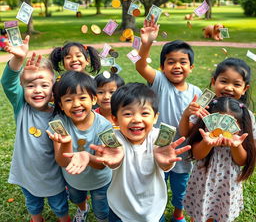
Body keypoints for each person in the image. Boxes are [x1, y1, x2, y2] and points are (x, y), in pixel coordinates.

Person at [63, 83, 192, 222]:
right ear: (115, 119)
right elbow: (112, 163)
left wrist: (165, 164)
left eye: (144, 113)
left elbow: (165, 165)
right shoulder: (113, 139)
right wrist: (94, 158)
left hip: (154, 209)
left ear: (155, 117)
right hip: (120, 210)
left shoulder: (159, 138)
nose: (136, 119)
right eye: (128, 113)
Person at [135, 17, 202, 222]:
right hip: (156, 149)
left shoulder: (196, 92)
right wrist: (147, 44)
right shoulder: (160, 82)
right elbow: (140, 66)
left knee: (181, 189)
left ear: (191, 67)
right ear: (162, 67)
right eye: (170, 62)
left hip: (183, 151)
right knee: (155, 187)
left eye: (183, 62)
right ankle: (157, 215)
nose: (177, 66)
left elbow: (197, 126)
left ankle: (178, 215)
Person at [1, 36, 70, 222]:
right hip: (27, 175)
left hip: (53, 176)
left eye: (44, 85)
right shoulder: (22, 108)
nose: (37, 90)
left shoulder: (61, 114)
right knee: (33, 205)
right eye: (30, 85)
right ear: (22, 88)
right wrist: (18, 60)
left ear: (54, 89)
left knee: (60, 207)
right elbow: (8, 82)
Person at [46, 70, 112, 222]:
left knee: (102, 209)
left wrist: (88, 158)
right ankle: (83, 209)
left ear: (93, 99)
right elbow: (62, 162)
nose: (76, 104)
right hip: (73, 179)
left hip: (100, 180)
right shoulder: (59, 123)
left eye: (82, 97)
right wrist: (66, 143)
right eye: (68, 100)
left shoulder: (104, 126)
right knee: (76, 198)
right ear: (61, 105)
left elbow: (102, 165)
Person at [183, 96, 256, 222]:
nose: (222, 133)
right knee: (200, 214)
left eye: (229, 127)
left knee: (221, 213)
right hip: (203, 182)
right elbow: (197, 155)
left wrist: (236, 146)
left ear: (239, 127)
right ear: (209, 122)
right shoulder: (205, 134)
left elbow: (242, 161)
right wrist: (207, 143)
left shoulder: (238, 139)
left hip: (227, 185)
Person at [179, 57, 256, 145]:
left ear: (245, 89)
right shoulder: (203, 108)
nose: (229, 88)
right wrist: (186, 114)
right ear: (213, 82)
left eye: (237, 84)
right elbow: (185, 133)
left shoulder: (247, 115)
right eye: (224, 81)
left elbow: (252, 148)